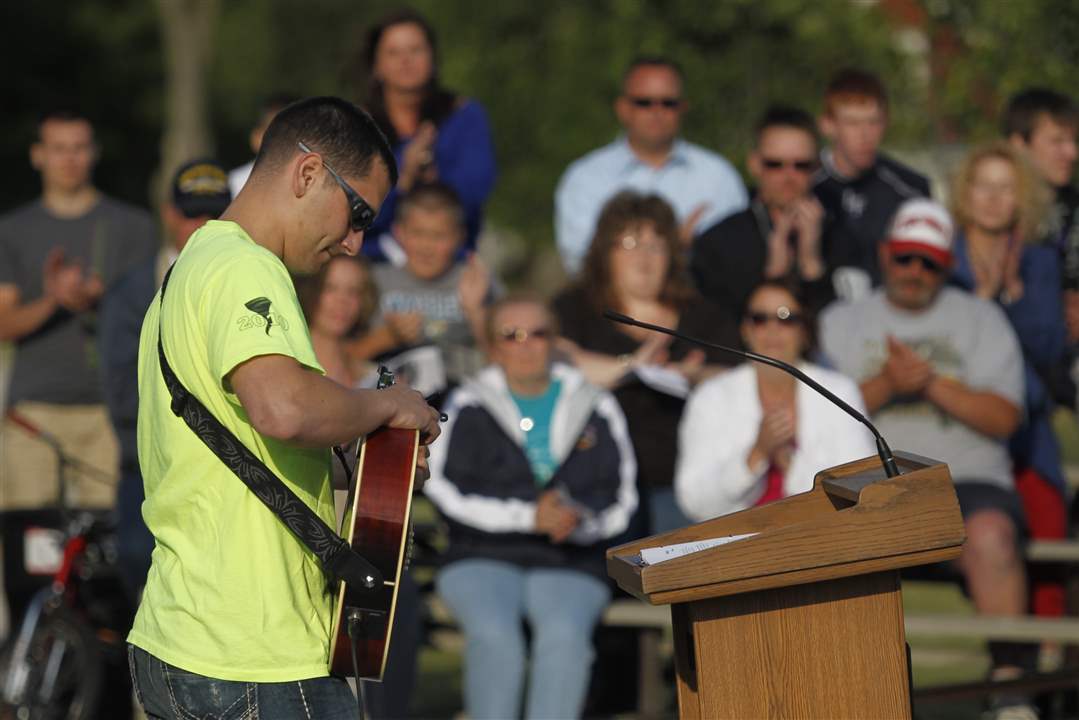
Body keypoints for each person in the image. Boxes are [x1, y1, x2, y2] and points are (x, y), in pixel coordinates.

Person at [126, 96, 442, 719]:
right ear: (307, 173)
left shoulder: (191, 269)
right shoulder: (247, 268)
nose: (354, 243)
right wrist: (388, 405)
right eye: (356, 214)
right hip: (252, 659)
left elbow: (244, 443)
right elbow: (283, 410)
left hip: (183, 638)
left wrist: (367, 466)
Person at [819, 198, 1036, 714]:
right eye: (905, 258)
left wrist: (932, 384)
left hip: (968, 479)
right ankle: (837, 688)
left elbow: (1005, 417)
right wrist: (888, 384)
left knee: (991, 536)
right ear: (884, 253)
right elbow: (817, 413)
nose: (915, 272)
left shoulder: (982, 319)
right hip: (866, 480)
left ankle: (1010, 687)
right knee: (819, 543)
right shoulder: (840, 321)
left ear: (947, 266)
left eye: (929, 262)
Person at [425, 295, 637, 720]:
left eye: (537, 334)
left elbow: (621, 496)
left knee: (563, 636)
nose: (525, 345)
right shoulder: (467, 404)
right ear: (494, 345)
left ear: (555, 341)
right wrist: (527, 516)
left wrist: (579, 520)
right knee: (496, 637)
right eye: (511, 335)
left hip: (569, 556)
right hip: (480, 555)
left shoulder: (596, 403)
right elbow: (443, 486)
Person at [553, 191, 739, 536]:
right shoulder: (575, 307)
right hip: (595, 478)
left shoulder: (703, 314)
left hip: (682, 480)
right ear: (604, 252)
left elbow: (736, 374)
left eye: (656, 246)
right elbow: (557, 358)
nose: (643, 258)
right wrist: (632, 368)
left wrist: (695, 376)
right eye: (629, 244)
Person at [0, 109, 157, 512]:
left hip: (108, 412)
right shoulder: (13, 230)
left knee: (104, 549)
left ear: (94, 153)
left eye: (79, 148)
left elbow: (153, 319)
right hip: (34, 411)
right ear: (38, 155)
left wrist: (104, 300)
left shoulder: (134, 227)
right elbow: (4, 323)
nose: (69, 159)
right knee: (29, 543)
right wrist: (54, 298)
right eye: (58, 149)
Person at [99, 158, 232, 598]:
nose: (201, 224)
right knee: (140, 566)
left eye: (214, 213)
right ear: (170, 214)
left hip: (223, 472)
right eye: (192, 213)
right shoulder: (130, 292)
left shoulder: (240, 281)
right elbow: (120, 392)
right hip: (148, 465)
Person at [949, 141, 1067, 618]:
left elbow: (1050, 351)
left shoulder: (1038, 263)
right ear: (965, 193)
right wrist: (981, 299)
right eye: (984, 186)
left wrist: (1014, 296)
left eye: (1006, 187)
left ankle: (1044, 672)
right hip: (961, 431)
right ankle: (1008, 668)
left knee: (1048, 545)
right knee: (987, 546)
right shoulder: (942, 260)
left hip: (1028, 432)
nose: (994, 198)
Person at [675, 280, 874, 521]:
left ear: (804, 330)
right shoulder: (711, 397)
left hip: (822, 540)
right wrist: (756, 455)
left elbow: (861, 490)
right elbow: (694, 502)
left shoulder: (840, 392)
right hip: (736, 548)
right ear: (745, 329)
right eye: (760, 319)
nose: (772, 329)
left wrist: (789, 461)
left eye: (786, 318)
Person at [555, 56, 747, 274]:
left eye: (668, 103)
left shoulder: (718, 176)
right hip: (611, 306)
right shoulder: (586, 177)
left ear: (683, 107)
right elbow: (580, 262)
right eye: (644, 102)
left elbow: (737, 261)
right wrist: (673, 249)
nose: (657, 112)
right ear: (623, 108)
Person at [692, 106, 860, 317]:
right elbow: (716, 328)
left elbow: (847, 330)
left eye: (801, 165)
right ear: (754, 165)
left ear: (817, 167)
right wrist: (773, 276)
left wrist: (811, 265)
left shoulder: (843, 238)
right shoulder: (718, 242)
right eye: (774, 164)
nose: (788, 176)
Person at [358, 8, 496, 263]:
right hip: (374, 263)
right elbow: (352, 210)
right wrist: (403, 175)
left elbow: (475, 190)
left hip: (452, 263)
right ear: (376, 65)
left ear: (433, 58)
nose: (405, 60)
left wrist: (434, 182)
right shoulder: (357, 124)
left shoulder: (464, 115)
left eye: (415, 50)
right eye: (394, 52)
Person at [361, 182, 496, 401]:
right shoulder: (373, 281)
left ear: (460, 237)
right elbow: (337, 357)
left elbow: (506, 360)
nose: (427, 246)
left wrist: (476, 312)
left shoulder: (478, 281)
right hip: (385, 399)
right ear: (398, 232)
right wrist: (386, 338)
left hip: (462, 401)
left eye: (438, 236)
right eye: (418, 233)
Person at [812, 69, 931, 288]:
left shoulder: (910, 190)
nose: (865, 134)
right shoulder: (804, 184)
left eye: (873, 122)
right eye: (852, 123)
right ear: (827, 125)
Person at [228, 93, 300, 197]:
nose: (285, 142)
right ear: (256, 138)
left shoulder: (315, 184)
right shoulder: (232, 186)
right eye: (276, 134)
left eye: (293, 134)